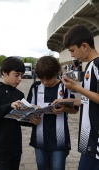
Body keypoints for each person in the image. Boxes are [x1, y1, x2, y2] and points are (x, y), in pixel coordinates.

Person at [0, 57, 40, 170]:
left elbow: (20, 118)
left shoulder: (19, 94)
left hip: (15, 148)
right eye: (16, 75)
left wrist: (32, 120)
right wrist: (8, 106)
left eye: (21, 75)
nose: (20, 79)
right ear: (4, 72)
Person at [54, 24, 99, 170]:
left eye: (73, 50)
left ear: (84, 46)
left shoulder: (97, 64)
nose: (72, 55)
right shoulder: (89, 66)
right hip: (88, 139)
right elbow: (90, 99)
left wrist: (77, 88)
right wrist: (66, 101)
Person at [27, 56, 79, 170]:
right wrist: (31, 115)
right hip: (39, 139)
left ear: (56, 73)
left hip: (59, 140)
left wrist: (64, 109)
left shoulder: (65, 87)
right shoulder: (35, 87)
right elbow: (28, 109)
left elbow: (75, 109)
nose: (45, 82)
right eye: (41, 79)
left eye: (48, 79)